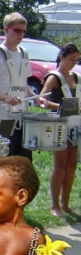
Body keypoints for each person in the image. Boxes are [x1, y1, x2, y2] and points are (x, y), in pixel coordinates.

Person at [0, 12, 47, 161]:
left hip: (22, 117)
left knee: (22, 164)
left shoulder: (24, 53)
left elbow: (23, 83)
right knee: (2, 163)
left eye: (24, 31)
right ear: (6, 30)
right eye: (17, 30)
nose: (21, 34)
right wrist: (4, 98)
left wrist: (35, 97)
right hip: (2, 119)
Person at [40, 43, 81, 218]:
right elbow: (41, 100)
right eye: (71, 59)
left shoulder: (77, 77)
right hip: (59, 125)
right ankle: (54, 205)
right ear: (62, 57)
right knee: (60, 166)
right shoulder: (54, 77)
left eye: (76, 60)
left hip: (76, 125)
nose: (73, 63)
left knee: (72, 165)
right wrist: (62, 106)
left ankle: (65, 203)